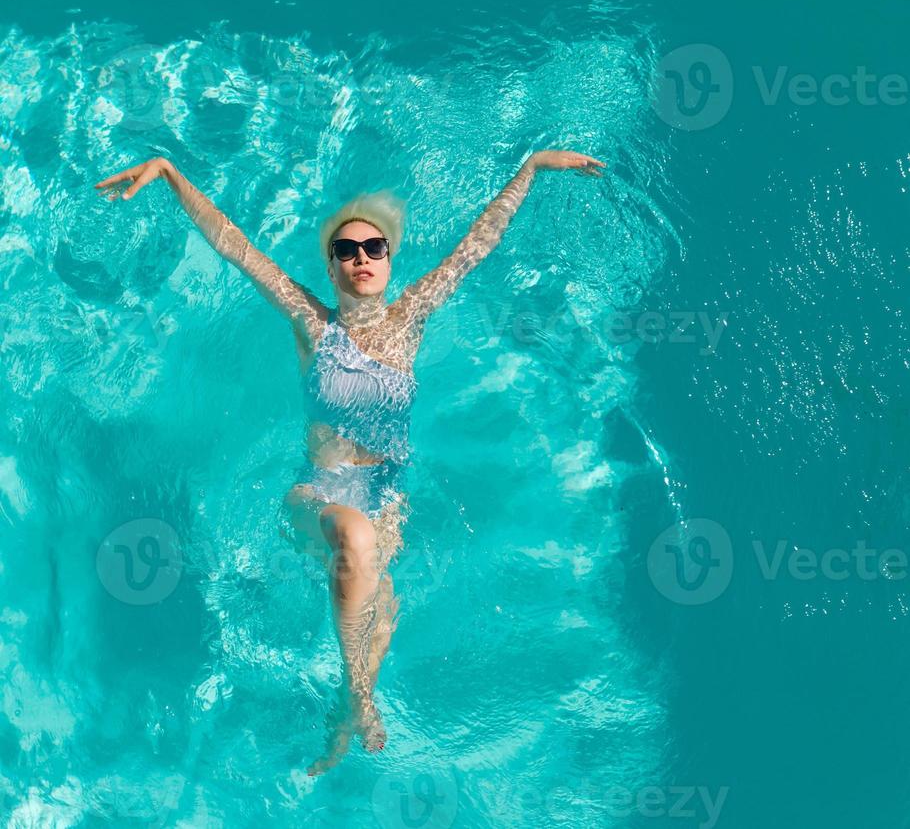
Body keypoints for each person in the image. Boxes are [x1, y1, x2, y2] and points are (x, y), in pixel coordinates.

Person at [94, 149, 606, 772]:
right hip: (321, 495)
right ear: (332, 268)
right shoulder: (313, 324)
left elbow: (479, 245)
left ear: (389, 261)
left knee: (380, 617)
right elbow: (238, 248)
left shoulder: (411, 320)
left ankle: (345, 708)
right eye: (346, 251)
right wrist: (172, 175)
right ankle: (359, 700)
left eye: (374, 248)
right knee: (355, 541)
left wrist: (532, 168)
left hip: (388, 494)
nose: (361, 257)